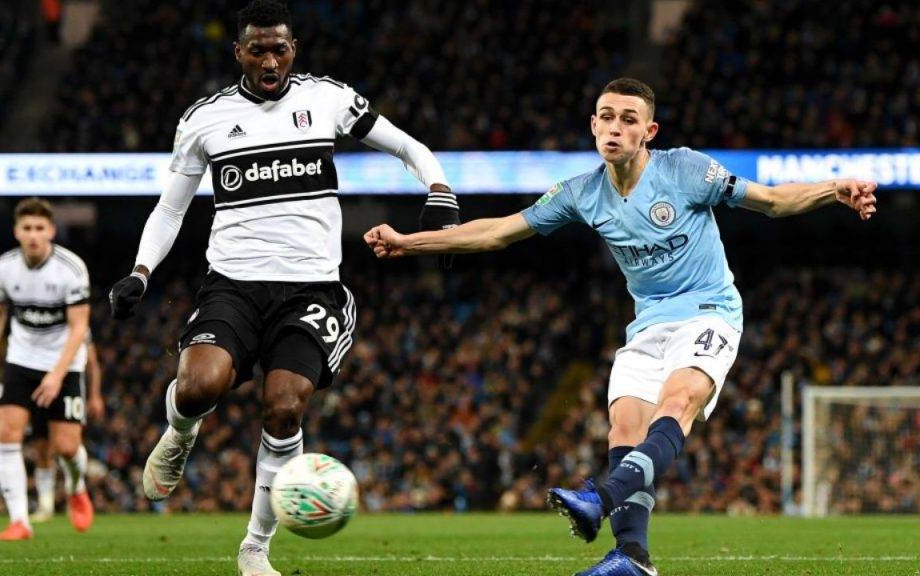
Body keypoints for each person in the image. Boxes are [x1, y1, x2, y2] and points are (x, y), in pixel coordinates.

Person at [364, 78, 876, 576]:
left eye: (628, 119)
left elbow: (773, 201)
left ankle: (601, 498)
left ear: (648, 132)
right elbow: (498, 232)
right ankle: (633, 558)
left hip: (709, 310)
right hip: (648, 326)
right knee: (625, 430)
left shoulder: (687, 170)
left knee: (677, 404)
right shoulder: (581, 193)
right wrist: (410, 242)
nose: (615, 127)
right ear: (592, 126)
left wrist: (836, 189)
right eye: (606, 117)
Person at [107, 1, 458, 574]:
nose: (270, 60)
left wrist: (439, 187)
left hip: (312, 288)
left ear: (293, 50)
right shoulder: (205, 119)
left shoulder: (328, 99)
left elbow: (406, 145)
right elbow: (170, 209)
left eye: (280, 48)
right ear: (238, 52)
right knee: (198, 388)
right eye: (258, 49)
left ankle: (254, 547)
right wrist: (141, 272)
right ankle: (179, 431)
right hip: (233, 287)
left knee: (285, 407)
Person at [0, 197, 95, 541]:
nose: (33, 235)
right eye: (27, 228)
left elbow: (79, 328)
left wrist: (57, 374)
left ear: (51, 231)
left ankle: (76, 487)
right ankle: (20, 521)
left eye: (40, 228)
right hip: (21, 358)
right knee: (7, 432)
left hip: (65, 362)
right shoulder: (4, 268)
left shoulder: (70, 269)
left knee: (66, 448)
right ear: (16, 231)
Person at [31, 335, 103, 523]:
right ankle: (45, 506)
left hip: (68, 381)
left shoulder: (77, 317)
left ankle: (76, 485)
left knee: (67, 448)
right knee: (41, 448)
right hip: (38, 383)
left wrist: (95, 395)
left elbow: (93, 362)